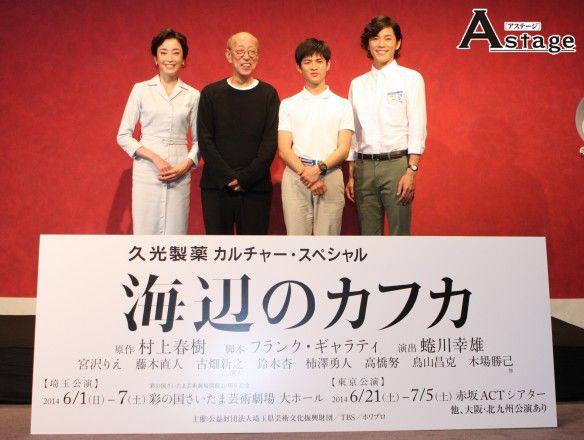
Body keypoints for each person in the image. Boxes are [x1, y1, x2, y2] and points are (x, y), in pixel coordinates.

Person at [346, 16, 427, 235]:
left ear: (398, 43)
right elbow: (353, 131)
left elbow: (417, 125)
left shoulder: (411, 79)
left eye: (388, 38)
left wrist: (411, 170)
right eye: (375, 38)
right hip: (364, 168)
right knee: (369, 237)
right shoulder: (357, 84)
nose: (381, 44)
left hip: (396, 166)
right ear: (368, 44)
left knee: (400, 234)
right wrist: (352, 174)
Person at [117, 28, 199, 235]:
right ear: (155, 58)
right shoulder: (141, 89)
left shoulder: (193, 95)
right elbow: (123, 135)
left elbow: (200, 141)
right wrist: (155, 158)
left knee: (176, 234)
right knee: (145, 232)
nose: (169, 58)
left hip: (179, 170)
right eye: (163, 52)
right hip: (147, 170)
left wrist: (185, 166)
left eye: (176, 53)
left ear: (184, 59)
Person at [197, 32, 279, 235]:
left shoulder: (268, 94)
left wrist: (245, 179)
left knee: (253, 249)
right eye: (240, 51)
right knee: (218, 250)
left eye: (252, 52)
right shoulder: (210, 93)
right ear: (228, 55)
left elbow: (270, 142)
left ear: (258, 56)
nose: (246, 57)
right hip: (217, 187)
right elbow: (205, 140)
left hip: (255, 188)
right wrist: (227, 177)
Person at [278, 38, 353, 235]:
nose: (314, 67)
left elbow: (344, 148)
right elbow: (284, 149)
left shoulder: (343, 105)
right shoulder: (288, 104)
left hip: (330, 175)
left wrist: (319, 170)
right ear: (298, 67)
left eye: (319, 61)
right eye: (307, 62)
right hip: (296, 176)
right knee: (297, 242)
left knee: (327, 243)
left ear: (328, 65)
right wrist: (307, 175)